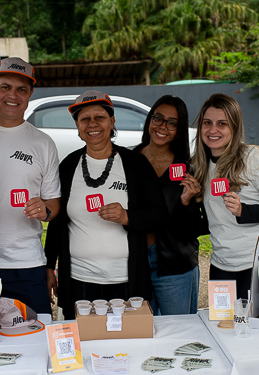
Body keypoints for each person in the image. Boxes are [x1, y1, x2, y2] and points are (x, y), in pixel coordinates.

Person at [45, 90, 168, 319]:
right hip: (79, 280)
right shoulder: (68, 166)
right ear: (77, 126)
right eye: (85, 119)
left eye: (99, 117)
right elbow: (57, 220)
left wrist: (127, 217)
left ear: (112, 121)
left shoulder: (135, 164)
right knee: (83, 338)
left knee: (127, 338)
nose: (92, 124)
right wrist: (49, 265)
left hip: (126, 280)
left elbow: (160, 214)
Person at [0, 57, 60, 315]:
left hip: (28, 263)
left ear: (30, 94)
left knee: (38, 334)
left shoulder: (43, 143)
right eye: (5, 87)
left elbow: (54, 203)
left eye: (21, 89)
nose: (13, 95)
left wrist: (44, 210)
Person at [192, 93, 259, 299]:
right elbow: (210, 221)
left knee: (251, 320)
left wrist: (243, 211)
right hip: (220, 265)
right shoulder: (199, 166)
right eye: (207, 123)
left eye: (222, 124)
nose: (212, 130)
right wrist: (188, 200)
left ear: (234, 127)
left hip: (254, 263)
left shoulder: (253, 157)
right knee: (221, 318)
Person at [136, 95, 208, 315]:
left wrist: (187, 202)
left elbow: (197, 229)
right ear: (150, 120)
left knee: (180, 331)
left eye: (172, 123)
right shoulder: (128, 161)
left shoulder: (189, 169)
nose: (162, 127)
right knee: (140, 331)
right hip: (135, 264)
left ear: (179, 130)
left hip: (176, 266)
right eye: (158, 118)